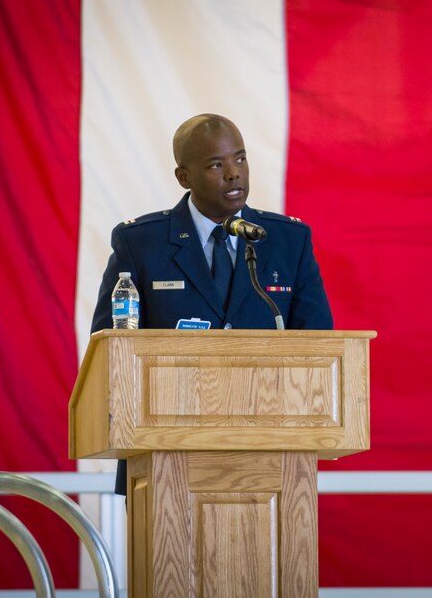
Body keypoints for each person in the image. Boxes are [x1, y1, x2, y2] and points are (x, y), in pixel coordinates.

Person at [90, 113, 333, 494]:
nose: (234, 173)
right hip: (163, 458)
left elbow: (320, 347)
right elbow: (110, 349)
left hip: (268, 459)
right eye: (216, 165)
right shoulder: (141, 243)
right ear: (184, 177)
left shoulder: (287, 241)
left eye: (240, 158)